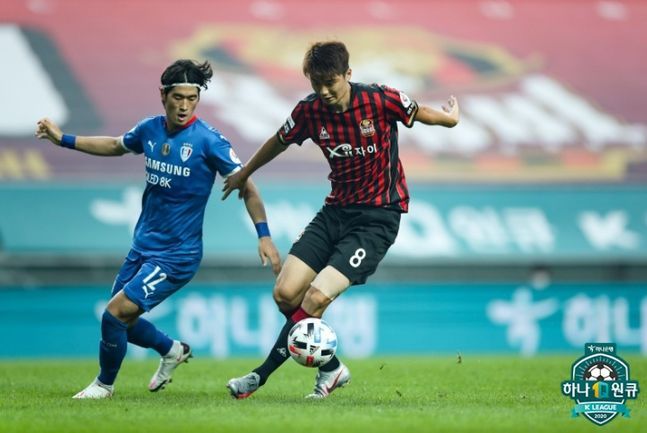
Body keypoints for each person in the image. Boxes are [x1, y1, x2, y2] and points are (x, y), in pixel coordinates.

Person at [222, 41, 460, 399]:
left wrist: (451, 119)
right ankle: (333, 369)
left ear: (348, 74)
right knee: (287, 294)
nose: (324, 91)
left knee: (316, 298)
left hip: (377, 218)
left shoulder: (379, 100)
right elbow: (279, 140)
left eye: (330, 82)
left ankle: (259, 376)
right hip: (335, 211)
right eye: (316, 84)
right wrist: (244, 173)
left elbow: (420, 111)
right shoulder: (309, 111)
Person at [35, 59, 281, 399]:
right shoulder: (150, 129)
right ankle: (171, 349)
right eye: (177, 97)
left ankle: (103, 386)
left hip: (178, 254)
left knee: (113, 316)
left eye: (191, 99)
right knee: (122, 322)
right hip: (143, 245)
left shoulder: (210, 142)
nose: (184, 106)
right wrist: (63, 139)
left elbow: (247, 186)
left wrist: (264, 235)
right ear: (163, 95)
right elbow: (115, 145)